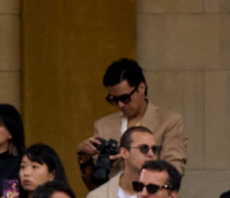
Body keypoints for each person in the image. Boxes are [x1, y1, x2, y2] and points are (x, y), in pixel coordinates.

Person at [77, 57, 187, 185]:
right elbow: (94, 186)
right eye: (113, 99)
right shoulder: (103, 126)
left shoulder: (169, 122)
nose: (120, 105)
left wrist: (132, 158)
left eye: (125, 98)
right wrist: (85, 159)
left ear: (141, 88)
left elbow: (174, 173)